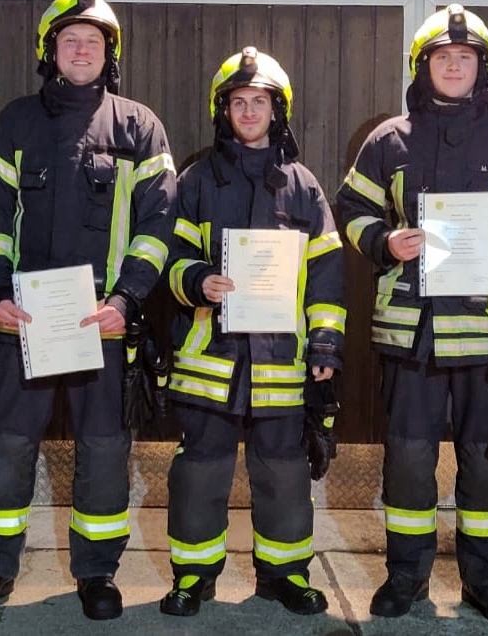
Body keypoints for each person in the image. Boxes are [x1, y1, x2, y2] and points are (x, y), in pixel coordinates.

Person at [0, 0, 177, 621]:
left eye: (93, 41)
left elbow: (157, 226)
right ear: (49, 51)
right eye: (69, 40)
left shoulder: (139, 127)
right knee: (7, 446)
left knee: (103, 451)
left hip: (101, 324)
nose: (81, 50)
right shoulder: (15, 122)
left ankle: (97, 574)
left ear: (110, 54)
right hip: (20, 323)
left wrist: (127, 299)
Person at [336, 4, 488, 627]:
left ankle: (487, 583)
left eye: (465, 57)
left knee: (487, 463)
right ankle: (405, 578)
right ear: (423, 67)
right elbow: (350, 208)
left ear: (482, 67)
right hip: (411, 335)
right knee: (408, 460)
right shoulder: (390, 141)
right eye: (443, 57)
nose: (454, 66)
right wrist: (385, 242)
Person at [158, 47, 346, 618]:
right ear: (223, 110)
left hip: (279, 364)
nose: (248, 111)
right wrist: (197, 280)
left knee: (284, 472)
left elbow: (326, 274)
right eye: (237, 102)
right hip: (209, 361)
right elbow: (169, 258)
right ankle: (193, 576)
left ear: (276, 110)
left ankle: (285, 575)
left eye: (259, 102)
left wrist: (325, 343)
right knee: (200, 472)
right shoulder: (196, 180)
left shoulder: (303, 187)